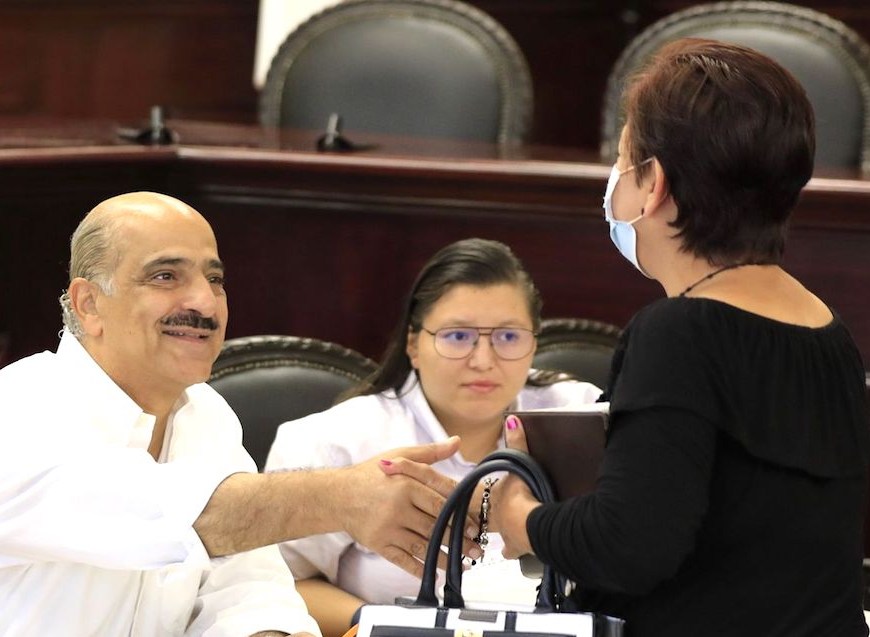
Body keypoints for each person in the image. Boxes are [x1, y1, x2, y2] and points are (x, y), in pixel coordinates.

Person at [484, 39, 870, 636]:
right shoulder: (829, 331)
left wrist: (519, 517)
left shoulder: (679, 333)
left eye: (622, 160)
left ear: (654, 184)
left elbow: (630, 544)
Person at [0, 192, 478, 636]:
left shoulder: (206, 413)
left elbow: (247, 590)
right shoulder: (20, 409)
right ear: (89, 304)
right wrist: (346, 498)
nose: (205, 303)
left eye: (214, 279)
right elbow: (175, 516)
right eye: (165, 276)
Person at [265, 238, 602, 636]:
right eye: (458, 336)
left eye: (508, 337)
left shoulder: (581, 418)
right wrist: (393, 627)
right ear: (413, 345)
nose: (483, 360)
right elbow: (277, 585)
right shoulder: (332, 441)